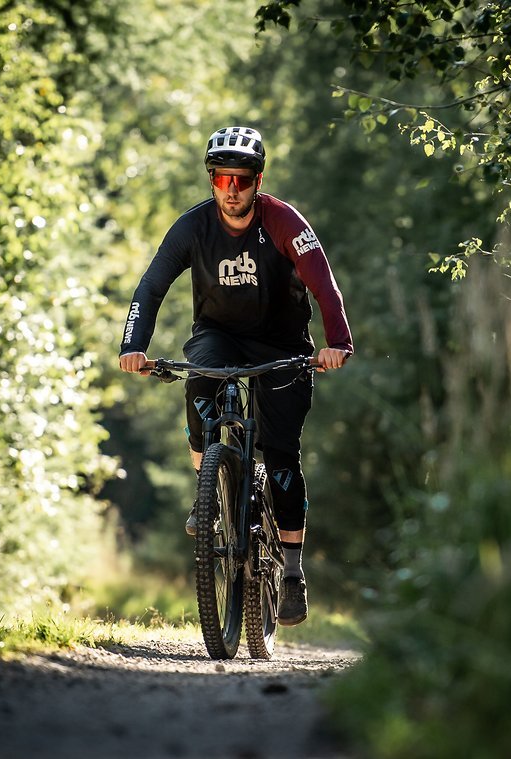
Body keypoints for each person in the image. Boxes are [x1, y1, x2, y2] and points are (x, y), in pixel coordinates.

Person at [118, 126, 353, 626]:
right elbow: (152, 284)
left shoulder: (285, 222)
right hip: (219, 334)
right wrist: (133, 345)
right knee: (199, 379)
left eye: (241, 180)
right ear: (211, 180)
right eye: (222, 178)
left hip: (284, 347)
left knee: (283, 456)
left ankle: (291, 570)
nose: (232, 190)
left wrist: (338, 343)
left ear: (257, 180)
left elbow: (324, 286)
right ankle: (209, 490)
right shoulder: (193, 227)